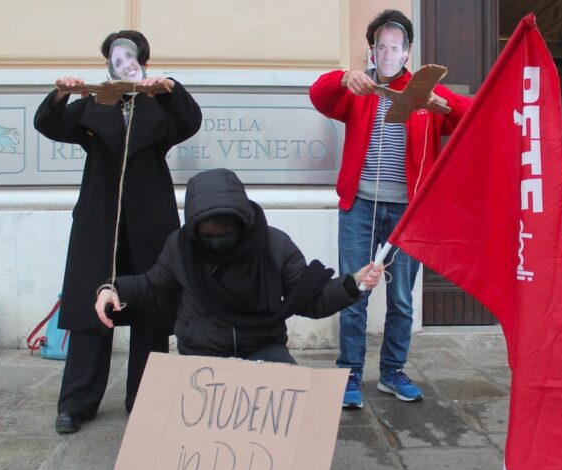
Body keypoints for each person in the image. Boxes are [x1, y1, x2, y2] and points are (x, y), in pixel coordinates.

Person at [34, 30, 202, 434]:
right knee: (88, 311)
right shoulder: (94, 104)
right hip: (98, 219)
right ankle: (76, 404)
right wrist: (62, 94)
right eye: (115, 55)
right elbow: (48, 124)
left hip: (150, 219)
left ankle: (145, 399)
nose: (122, 61)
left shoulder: (158, 105)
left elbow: (190, 121)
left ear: (141, 58)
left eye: (129, 56)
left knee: (150, 307)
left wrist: (167, 88)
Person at [309, 10, 472, 409]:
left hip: (406, 214)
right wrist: (343, 77)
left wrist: (439, 105)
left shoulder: (423, 91)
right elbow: (319, 95)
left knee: (401, 297)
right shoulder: (361, 89)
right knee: (355, 291)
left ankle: (392, 372)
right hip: (360, 206)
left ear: (407, 52)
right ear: (372, 50)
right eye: (380, 46)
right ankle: (349, 373)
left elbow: (471, 115)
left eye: (395, 47)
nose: (387, 53)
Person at [95, 168, 383, 364]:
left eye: (225, 233)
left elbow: (310, 300)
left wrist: (353, 284)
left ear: (243, 222)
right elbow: (153, 285)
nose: (217, 242)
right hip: (202, 348)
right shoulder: (180, 247)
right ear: (195, 229)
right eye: (208, 235)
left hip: (263, 346)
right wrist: (113, 288)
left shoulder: (275, 245)